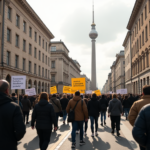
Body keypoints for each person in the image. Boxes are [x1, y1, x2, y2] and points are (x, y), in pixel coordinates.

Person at [0, 80, 26, 150]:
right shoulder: (14, 107)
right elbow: (20, 130)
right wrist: (12, 139)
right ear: (7, 90)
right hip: (7, 145)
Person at [128, 85, 150, 150]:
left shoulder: (136, 103)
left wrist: (138, 126)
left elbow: (131, 118)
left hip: (144, 135)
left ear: (143, 93)